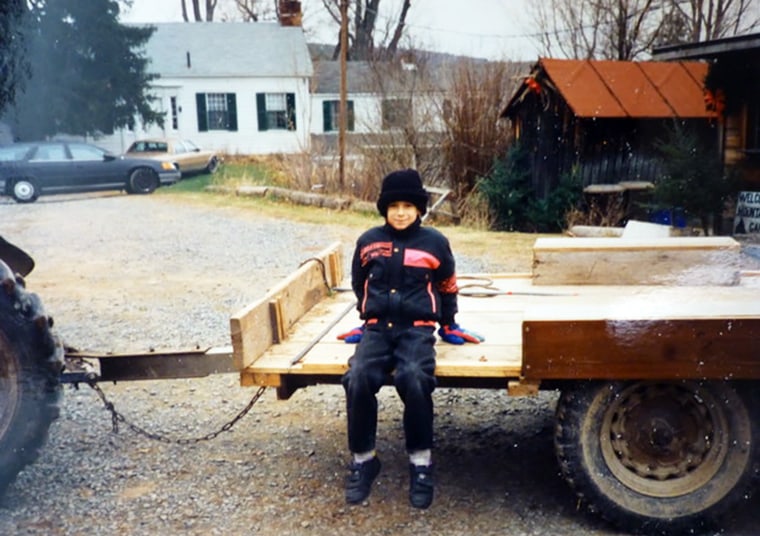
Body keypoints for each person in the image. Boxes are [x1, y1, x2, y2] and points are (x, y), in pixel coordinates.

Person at [337, 168, 483, 509]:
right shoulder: (368, 241)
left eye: (408, 205)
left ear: (420, 209)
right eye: (393, 205)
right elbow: (361, 283)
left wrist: (449, 324)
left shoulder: (434, 242)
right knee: (357, 378)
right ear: (383, 209)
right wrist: (366, 316)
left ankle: (420, 463)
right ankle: (364, 459)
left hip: (416, 330)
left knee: (415, 379)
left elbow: (447, 285)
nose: (400, 212)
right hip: (376, 330)